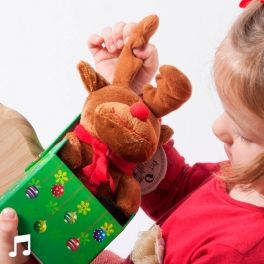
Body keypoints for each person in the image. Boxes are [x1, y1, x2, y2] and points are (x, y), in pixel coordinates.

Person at [1, 0, 264, 263]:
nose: (218, 128)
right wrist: (130, 100)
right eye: (227, 110)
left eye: (244, 132)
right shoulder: (243, 179)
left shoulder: (238, 254)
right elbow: (176, 191)